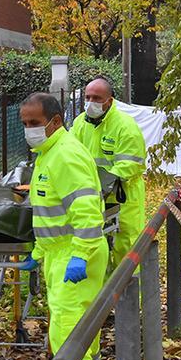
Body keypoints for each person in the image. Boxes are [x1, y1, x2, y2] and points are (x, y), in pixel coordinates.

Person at [17, 92, 109, 360]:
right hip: (62, 253)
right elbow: (52, 212)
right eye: (25, 124)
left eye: (35, 124)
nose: (30, 130)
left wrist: (79, 256)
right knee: (83, 328)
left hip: (75, 254)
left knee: (67, 331)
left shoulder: (64, 156)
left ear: (55, 122)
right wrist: (39, 253)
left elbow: (86, 212)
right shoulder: (48, 153)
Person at [70, 76, 146, 274]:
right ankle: (101, 299)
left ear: (109, 101)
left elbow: (131, 165)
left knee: (126, 247)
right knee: (96, 247)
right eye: (88, 97)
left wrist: (102, 183)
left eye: (96, 98)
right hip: (92, 196)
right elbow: (69, 157)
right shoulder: (79, 124)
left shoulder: (125, 126)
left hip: (124, 195)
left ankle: (129, 300)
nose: (91, 102)